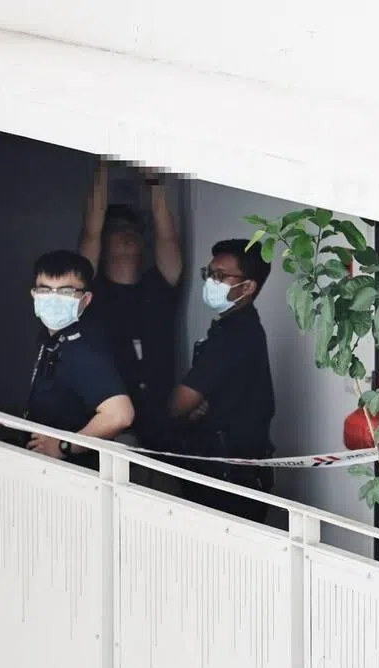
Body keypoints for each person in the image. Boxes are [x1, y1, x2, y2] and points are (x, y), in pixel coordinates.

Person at [167, 239, 276, 524]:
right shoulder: (234, 328)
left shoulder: (235, 336)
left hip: (230, 478)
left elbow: (180, 403)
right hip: (225, 471)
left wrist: (185, 407)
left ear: (248, 287)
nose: (211, 281)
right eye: (209, 273)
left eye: (220, 276)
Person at [79, 161, 182, 450]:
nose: (128, 235)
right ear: (105, 242)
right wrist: (101, 165)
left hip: (161, 425)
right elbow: (90, 232)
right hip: (109, 424)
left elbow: (167, 236)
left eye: (133, 230)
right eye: (118, 229)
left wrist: (153, 181)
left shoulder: (159, 285)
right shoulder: (92, 291)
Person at [24, 249, 134, 467]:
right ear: (34, 294)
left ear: (85, 299)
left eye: (65, 292)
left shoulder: (83, 347)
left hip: (75, 472)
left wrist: (63, 446)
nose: (53, 300)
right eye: (45, 290)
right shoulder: (49, 338)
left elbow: (119, 414)